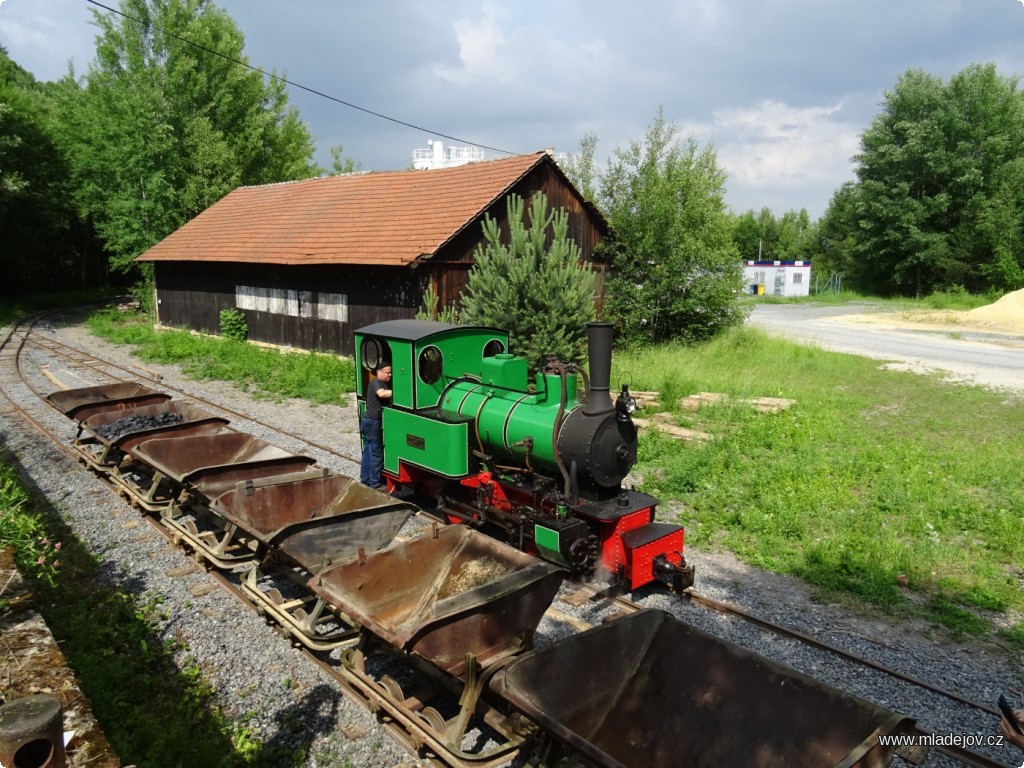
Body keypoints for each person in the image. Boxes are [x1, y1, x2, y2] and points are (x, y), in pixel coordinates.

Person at [359, 364, 392, 489]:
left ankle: (365, 480)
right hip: (373, 421)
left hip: (368, 420)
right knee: (376, 453)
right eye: (388, 373)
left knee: (368, 451)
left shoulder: (376, 382)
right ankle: (374, 483)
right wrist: (398, 392)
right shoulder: (376, 382)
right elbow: (382, 394)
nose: (390, 375)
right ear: (380, 372)